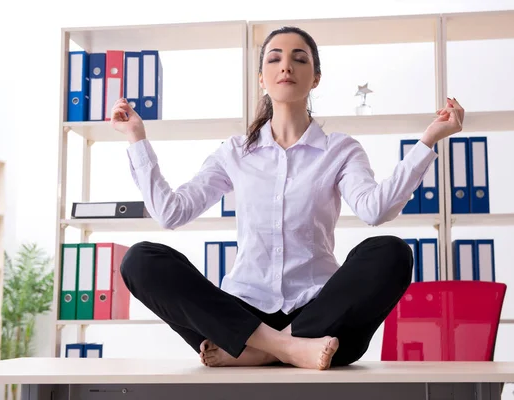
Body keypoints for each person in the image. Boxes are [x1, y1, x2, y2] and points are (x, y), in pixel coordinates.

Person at [110, 25, 464, 371]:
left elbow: (376, 209)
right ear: (262, 78)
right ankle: (286, 348)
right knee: (141, 260)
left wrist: (428, 141)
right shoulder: (234, 152)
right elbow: (170, 213)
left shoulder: (340, 149)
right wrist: (136, 137)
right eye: (275, 58)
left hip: (319, 316)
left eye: (299, 58)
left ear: (316, 78)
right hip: (243, 312)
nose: (286, 66)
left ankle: (260, 351)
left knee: (391, 252)